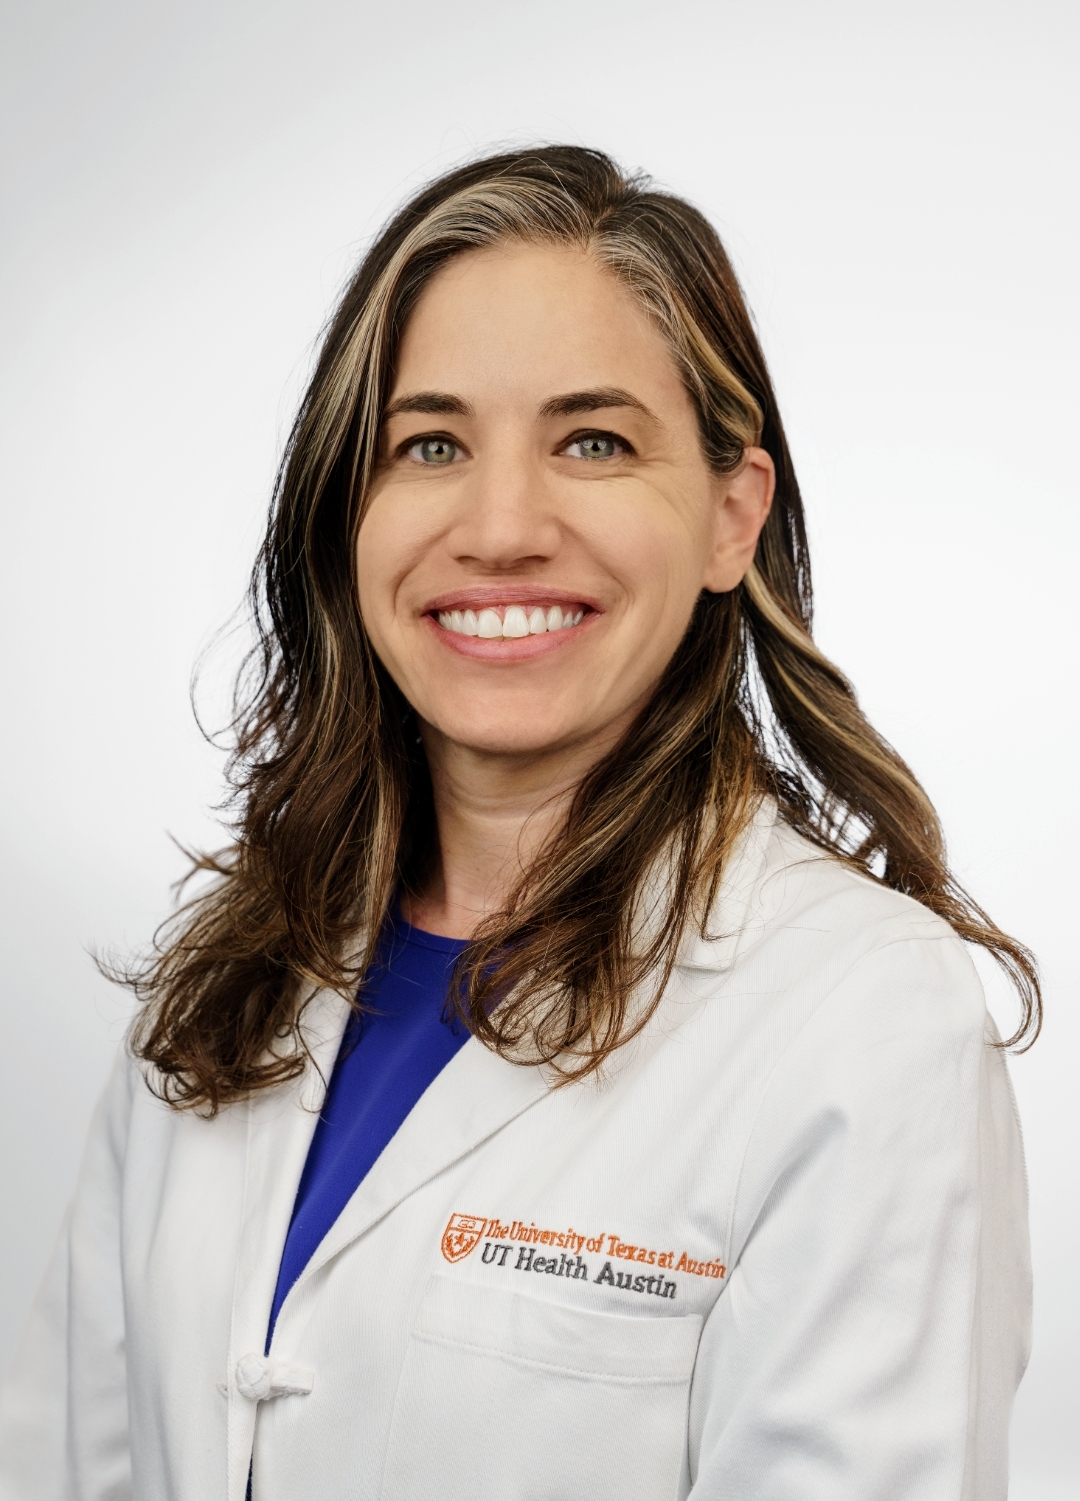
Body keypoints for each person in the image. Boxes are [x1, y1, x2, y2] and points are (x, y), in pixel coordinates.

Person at [0, 146, 1036, 1501]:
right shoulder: (220, 982)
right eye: (430, 443)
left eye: (592, 440)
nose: (500, 527)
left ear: (732, 515)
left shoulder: (857, 1017)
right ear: (346, 513)